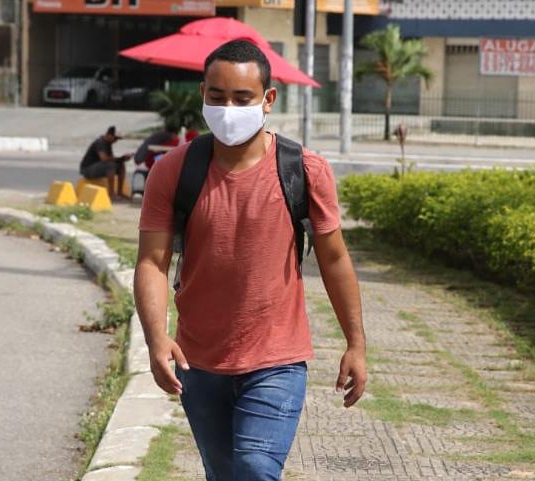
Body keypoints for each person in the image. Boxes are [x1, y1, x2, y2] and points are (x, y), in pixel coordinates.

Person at [134, 40, 366, 480]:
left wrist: (356, 343)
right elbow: (151, 263)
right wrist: (156, 338)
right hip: (198, 360)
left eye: (242, 98)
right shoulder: (174, 171)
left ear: (268, 99)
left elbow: (335, 260)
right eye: (217, 96)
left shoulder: (305, 170)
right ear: (203, 93)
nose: (228, 109)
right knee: (224, 474)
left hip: (277, 359)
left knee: (256, 470)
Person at [79, 126, 133, 200]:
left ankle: (120, 192)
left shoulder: (108, 144)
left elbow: (111, 158)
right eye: (115, 138)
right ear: (109, 135)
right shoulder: (100, 142)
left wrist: (122, 159)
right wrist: (120, 158)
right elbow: (104, 158)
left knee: (121, 165)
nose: (115, 141)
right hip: (87, 169)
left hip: (98, 167)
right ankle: (111, 194)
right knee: (110, 165)